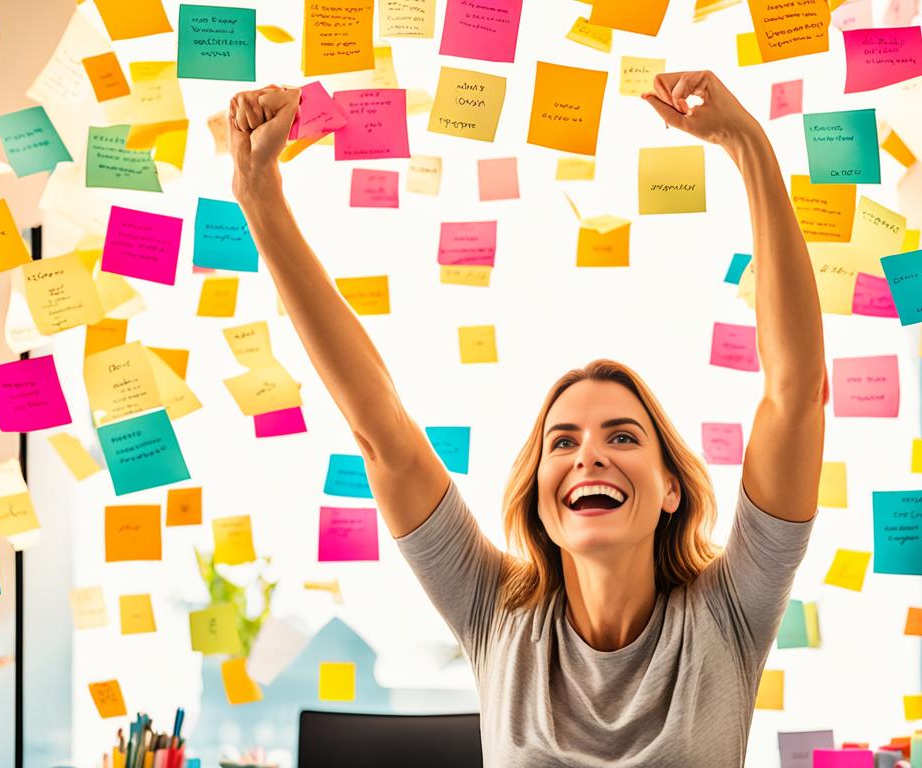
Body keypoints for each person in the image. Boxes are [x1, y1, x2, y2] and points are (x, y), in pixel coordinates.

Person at [229, 70, 827, 767]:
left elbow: (794, 392)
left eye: (623, 436)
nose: (587, 456)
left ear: (671, 490)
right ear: (540, 496)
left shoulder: (728, 614)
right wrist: (258, 193)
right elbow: (379, 429)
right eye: (562, 441)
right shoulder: (497, 613)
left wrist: (747, 143)